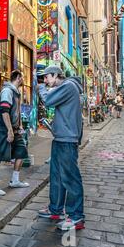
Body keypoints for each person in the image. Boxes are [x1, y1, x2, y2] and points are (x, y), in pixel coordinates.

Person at [36, 66, 85, 231]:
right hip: (61, 139)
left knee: (70, 179)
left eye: (46, 77)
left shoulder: (68, 86)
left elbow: (48, 101)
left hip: (66, 140)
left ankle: (76, 217)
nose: (45, 81)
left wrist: (40, 88)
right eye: (43, 79)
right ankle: (55, 209)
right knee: (56, 176)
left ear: (56, 75)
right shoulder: (67, 87)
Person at [0, 70, 29, 196]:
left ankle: (15, 180)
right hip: (4, 129)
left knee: (21, 152)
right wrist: (10, 131)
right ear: (18, 77)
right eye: (22, 77)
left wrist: (20, 126)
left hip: (16, 130)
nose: (23, 80)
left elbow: (17, 110)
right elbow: (5, 111)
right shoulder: (7, 91)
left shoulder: (17, 92)